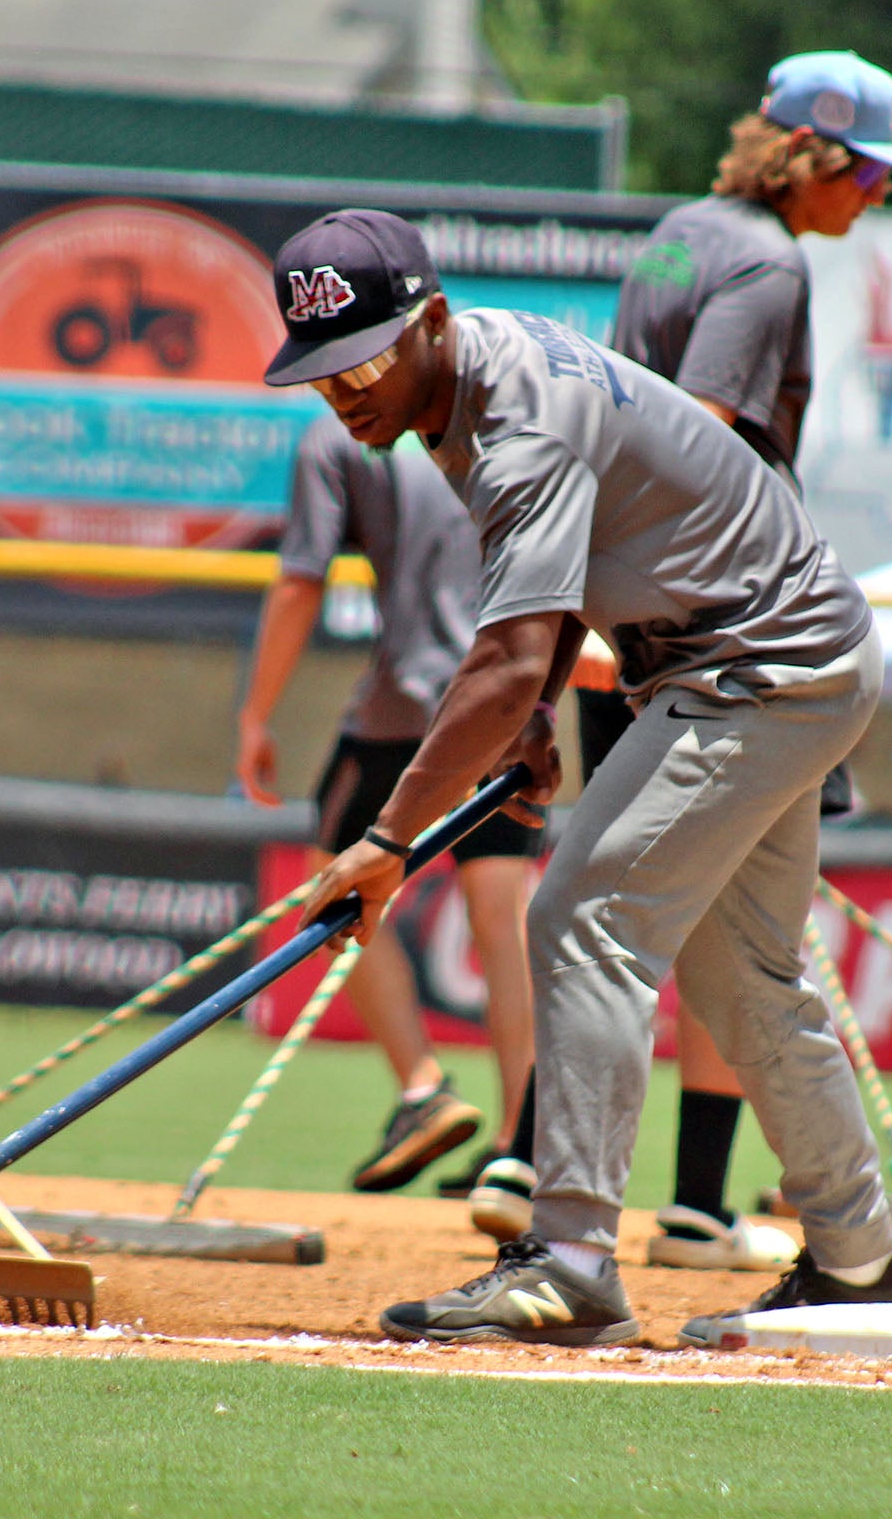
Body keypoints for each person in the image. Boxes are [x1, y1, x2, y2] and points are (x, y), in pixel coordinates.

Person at [268, 208, 892, 1347]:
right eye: (323, 371)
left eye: (364, 358)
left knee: (582, 915)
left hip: (758, 662)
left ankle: (569, 1260)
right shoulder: (472, 376)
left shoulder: (507, 419)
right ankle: (862, 1261)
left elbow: (507, 650)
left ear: (429, 322)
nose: (346, 390)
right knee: (745, 976)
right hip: (758, 652)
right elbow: (560, 585)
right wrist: (536, 724)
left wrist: (387, 842)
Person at [587, 48, 892, 1274]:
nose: (879, 196)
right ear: (821, 159)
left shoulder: (682, 231)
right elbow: (702, 438)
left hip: (645, 628)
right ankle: (645, 1213)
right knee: (709, 938)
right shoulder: (772, 260)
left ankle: (558, 1181)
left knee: (621, 915)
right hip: (737, 643)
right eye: (874, 171)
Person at [235, 410, 541, 1197]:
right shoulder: (506, 420)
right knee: (502, 914)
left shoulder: (336, 434)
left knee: (328, 879)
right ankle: (522, 1146)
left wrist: (256, 713)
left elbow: (302, 577)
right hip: (508, 705)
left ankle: (420, 1089)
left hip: (405, 709)